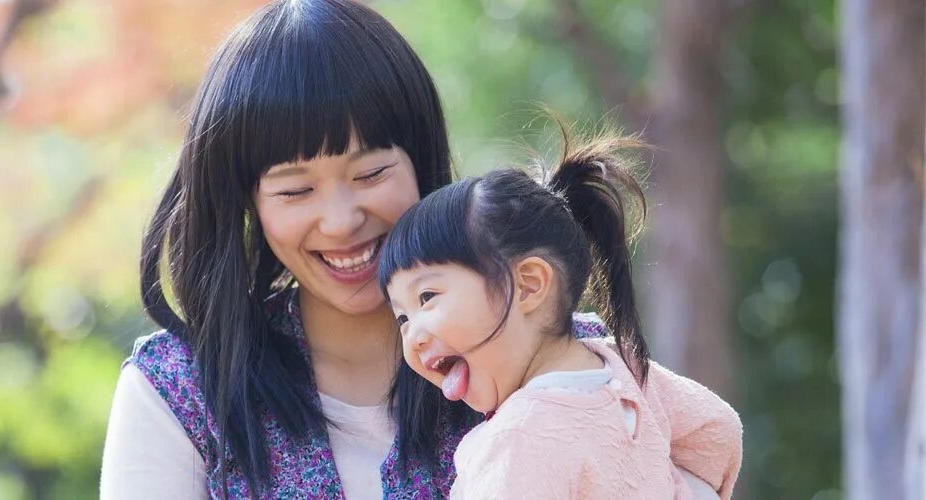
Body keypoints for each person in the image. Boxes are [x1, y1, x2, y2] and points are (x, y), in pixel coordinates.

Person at [99, 1, 609, 497]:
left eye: (371, 174)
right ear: (247, 202)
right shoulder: (179, 391)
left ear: (420, 160)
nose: (342, 222)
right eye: (295, 190)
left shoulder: (555, 353)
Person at [379, 132, 743, 499]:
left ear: (528, 285)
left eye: (427, 297)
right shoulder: (624, 366)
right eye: (402, 319)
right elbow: (717, 430)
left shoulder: (517, 440)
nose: (413, 336)